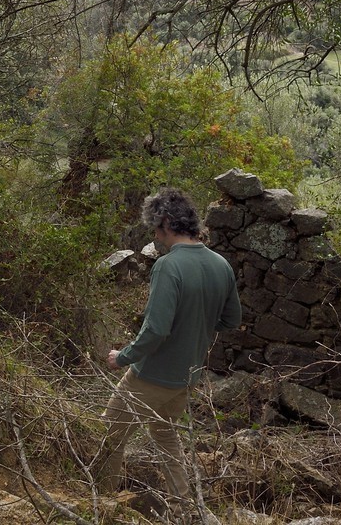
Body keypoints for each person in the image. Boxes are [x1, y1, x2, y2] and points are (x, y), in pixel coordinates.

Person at [94, 187, 241, 508]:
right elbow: (232, 319)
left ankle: (101, 505)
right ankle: (182, 505)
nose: (154, 235)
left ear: (165, 223)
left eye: (154, 227)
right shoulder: (221, 265)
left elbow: (156, 330)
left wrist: (123, 357)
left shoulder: (168, 266)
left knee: (109, 436)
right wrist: (196, 325)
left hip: (152, 376)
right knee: (165, 434)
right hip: (187, 376)